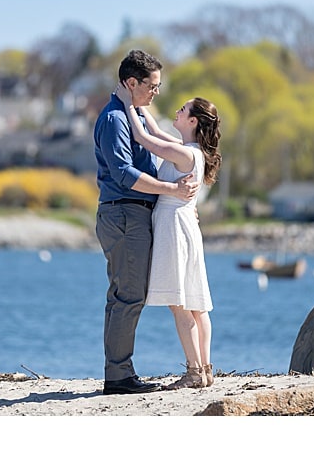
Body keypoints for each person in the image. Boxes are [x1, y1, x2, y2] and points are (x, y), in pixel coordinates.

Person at [94, 49, 199, 396]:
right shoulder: (114, 120)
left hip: (132, 214)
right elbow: (124, 174)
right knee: (128, 296)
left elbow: (155, 137)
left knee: (124, 295)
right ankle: (119, 377)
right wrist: (173, 189)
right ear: (131, 83)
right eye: (151, 86)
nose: (156, 92)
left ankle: (119, 372)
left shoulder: (130, 114)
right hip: (125, 212)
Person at [118, 84, 222, 390]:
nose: (177, 111)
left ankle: (193, 371)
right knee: (197, 304)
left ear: (193, 121)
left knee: (180, 304)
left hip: (174, 226)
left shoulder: (183, 153)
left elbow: (143, 138)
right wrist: (141, 108)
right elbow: (157, 134)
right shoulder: (193, 151)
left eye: (183, 109)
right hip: (186, 225)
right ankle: (205, 369)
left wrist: (126, 104)